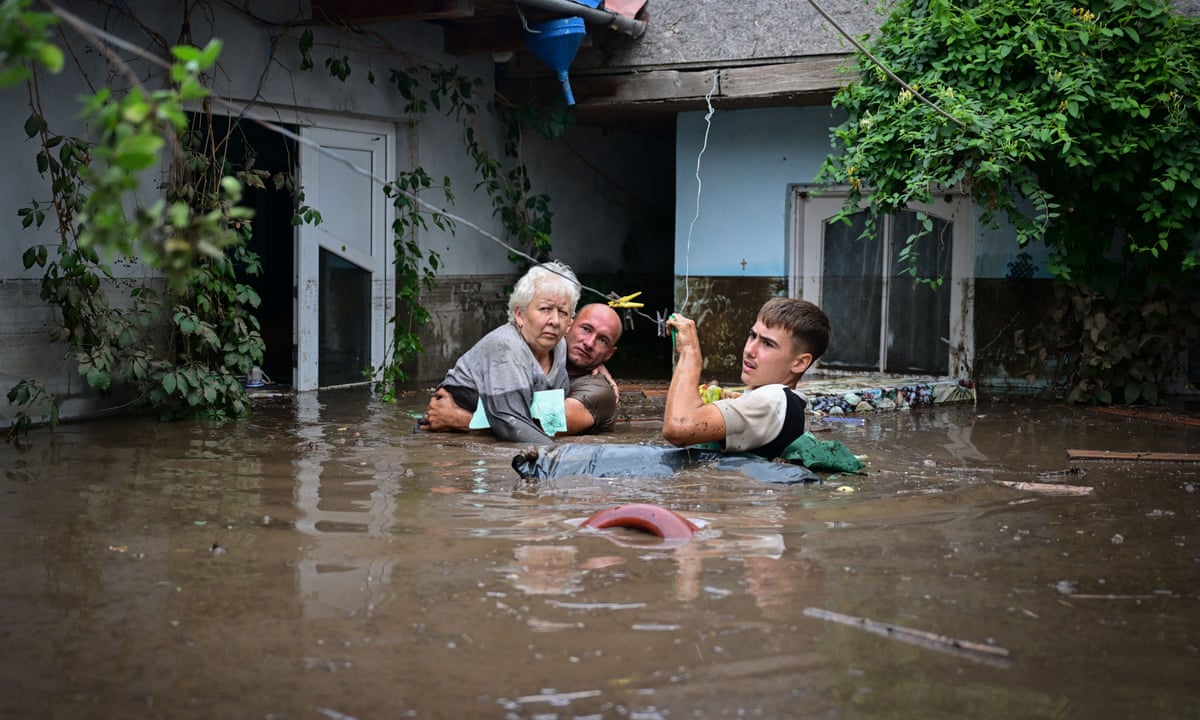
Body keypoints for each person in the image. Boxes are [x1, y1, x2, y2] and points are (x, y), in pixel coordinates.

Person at [419, 261, 580, 445]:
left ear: (569, 323)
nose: (555, 321)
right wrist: (562, 458)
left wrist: (464, 421)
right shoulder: (506, 345)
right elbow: (510, 423)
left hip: (479, 432)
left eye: (563, 312)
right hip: (447, 443)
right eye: (544, 309)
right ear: (520, 315)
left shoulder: (560, 347)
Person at [661, 297, 831, 459]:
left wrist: (689, 352)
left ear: (800, 362)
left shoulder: (773, 398)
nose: (750, 349)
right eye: (752, 335)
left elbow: (679, 427)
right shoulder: (790, 403)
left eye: (768, 344)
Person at [421, 302, 623, 437]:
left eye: (602, 340)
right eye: (585, 329)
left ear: (609, 354)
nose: (589, 343)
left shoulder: (599, 391)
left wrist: (459, 420)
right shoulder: (533, 354)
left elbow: (547, 427)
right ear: (568, 325)